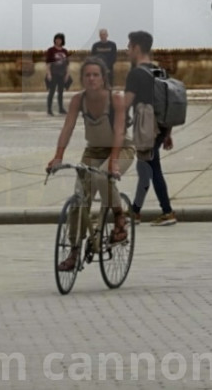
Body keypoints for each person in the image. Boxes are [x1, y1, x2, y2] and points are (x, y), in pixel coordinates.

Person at [47, 57, 134, 272]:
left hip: (121, 149)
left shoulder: (116, 99)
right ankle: (74, 251)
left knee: (100, 176)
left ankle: (119, 218)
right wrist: (57, 156)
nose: (91, 79)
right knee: (79, 200)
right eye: (87, 75)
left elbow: (120, 132)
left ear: (104, 78)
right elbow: (67, 128)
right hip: (93, 151)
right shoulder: (78, 100)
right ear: (82, 79)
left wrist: (113, 162)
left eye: (96, 75)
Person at [124, 30, 176, 226]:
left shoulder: (135, 74)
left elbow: (127, 104)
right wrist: (168, 134)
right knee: (146, 167)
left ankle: (167, 212)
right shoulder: (160, 72)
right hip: (161, 128)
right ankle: (136, 212)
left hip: (146, 130)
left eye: (129, 46)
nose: (127, 50)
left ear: (137, 47)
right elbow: (168, 104)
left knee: (151, 169)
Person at [45, 33, 70, 116]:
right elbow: (48, 63)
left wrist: (67, 74)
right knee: (51, 91)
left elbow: (67, 64)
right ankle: (49, 109)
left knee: (61, 92)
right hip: (53, 73)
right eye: (57, 39)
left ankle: (61, 108)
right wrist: (48, 74)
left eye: (60, 39)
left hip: (62, 74)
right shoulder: (51, 50)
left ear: (62, 40)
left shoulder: (64, 51)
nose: (58, 41)